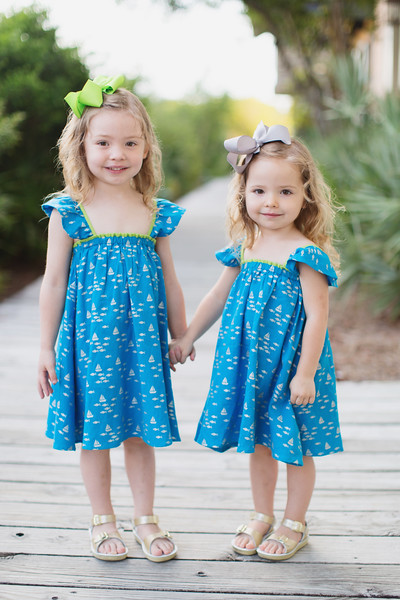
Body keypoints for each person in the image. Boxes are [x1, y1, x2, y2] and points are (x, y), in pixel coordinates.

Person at [170, 122, 343, 561]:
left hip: (292, 368)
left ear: (306, 195)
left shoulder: (306, 254)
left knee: (296, 446)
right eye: (259, 191)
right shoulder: (245, 246)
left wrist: (306, 374)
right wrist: (187, 336)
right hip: (250, 366)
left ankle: (294, 522)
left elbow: (318, 317)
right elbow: (216, 296)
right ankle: (263, 513)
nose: (271, 202)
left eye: (285, 192)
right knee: (260, 442)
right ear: (243, 194)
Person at [37, 75, 187, 563]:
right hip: (88, 344)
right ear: (81, 147)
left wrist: (181, 333)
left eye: (129, 143)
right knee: (96, 432)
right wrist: (45, 347)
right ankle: (102, 517)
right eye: (103, 143)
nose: (116, 154)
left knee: (141, 432)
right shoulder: (69, 212)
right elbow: (53, 283)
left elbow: (170, 279)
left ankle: (145, 517)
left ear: (146, 148)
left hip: (142, 343)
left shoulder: (153, 212)